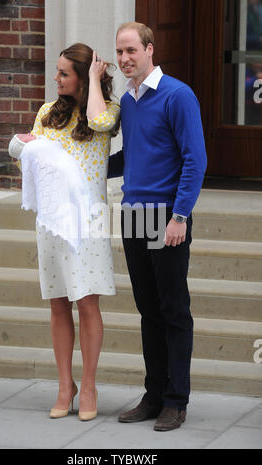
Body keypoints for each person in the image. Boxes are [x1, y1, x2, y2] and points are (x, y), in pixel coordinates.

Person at [9, 43, 120, 421]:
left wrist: (93, 80)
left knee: (87, 303)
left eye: (64, 73)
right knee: (58, 303)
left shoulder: (106, 111)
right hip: (53, 222)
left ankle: (88, 386)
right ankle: (64, 385)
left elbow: (101, 124)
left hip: (88, 222)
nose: (55, 79)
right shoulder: (46, 112)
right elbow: (32, 160)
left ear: (83, 76)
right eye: (57, 72)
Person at [108, 22, 207, 431]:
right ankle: (153, 395)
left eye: (131, 50)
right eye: (119, 52)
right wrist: (83, 167)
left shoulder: (177, 95)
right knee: (148, 310)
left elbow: (194, 160)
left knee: (173, 310)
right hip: (134, 213)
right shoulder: (129, 100)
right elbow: (132, 155)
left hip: (166, 215)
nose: (125, 59)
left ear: (150, 49)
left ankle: (175, 400)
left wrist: (180, 216)